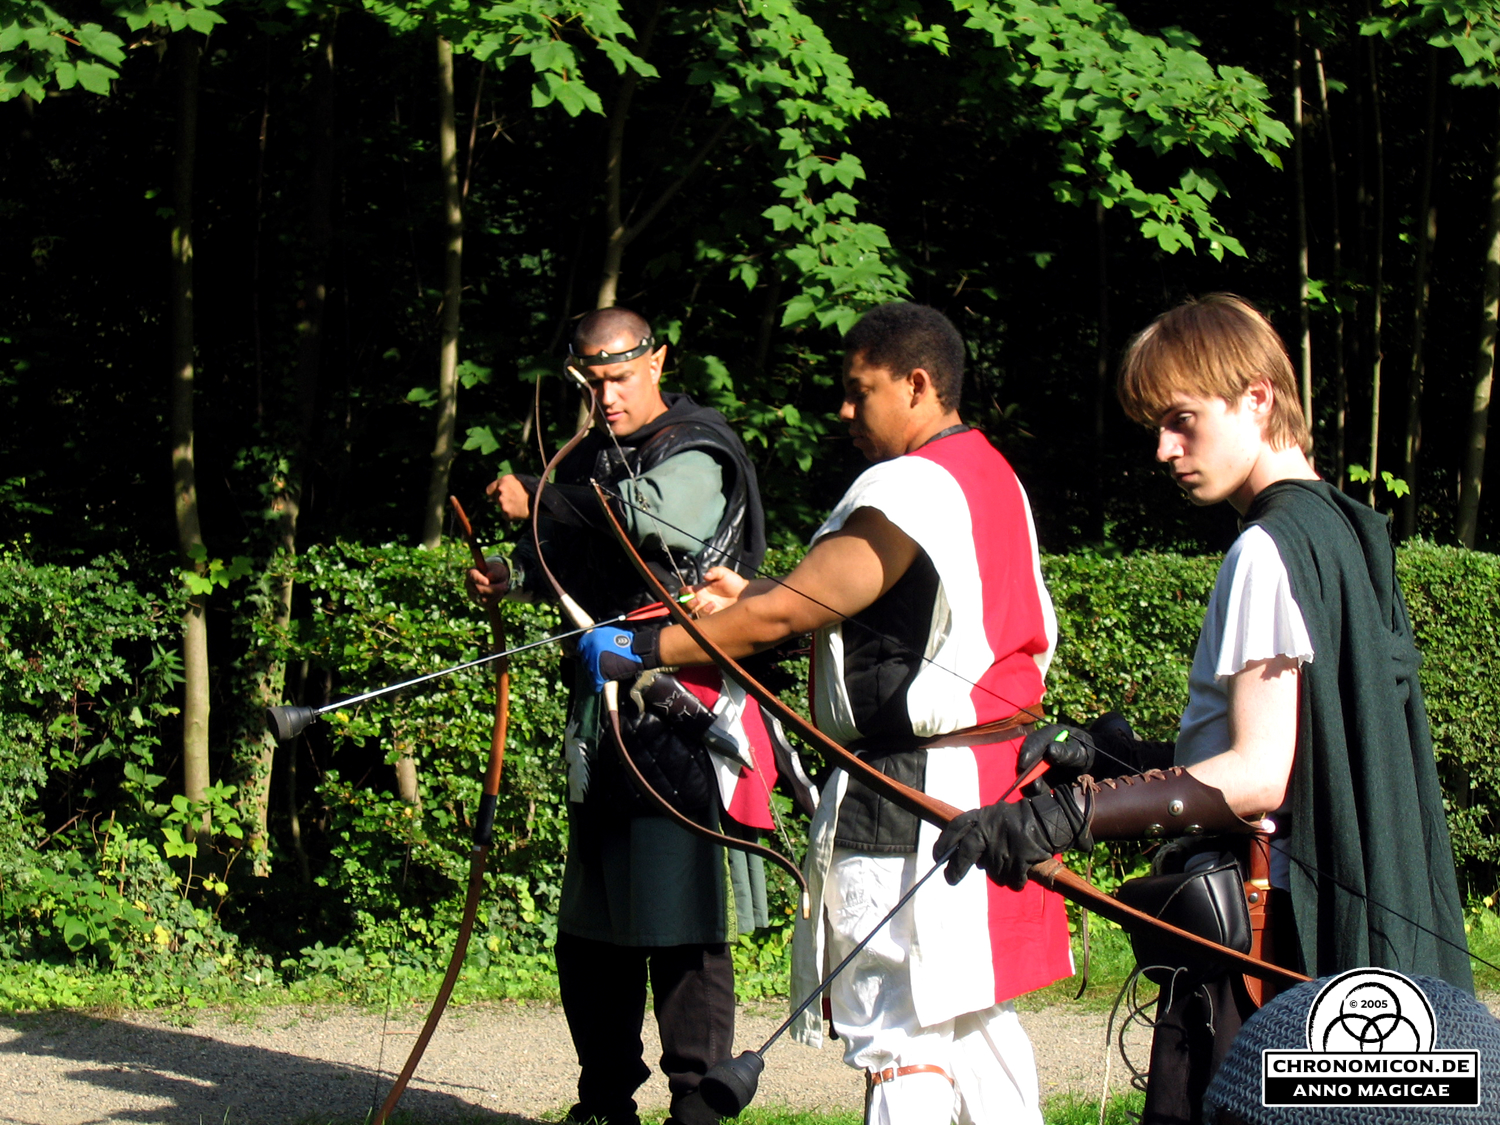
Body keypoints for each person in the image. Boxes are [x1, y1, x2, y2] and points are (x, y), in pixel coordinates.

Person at [934, 294, 1472, 1124]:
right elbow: (1305, 750)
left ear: (1257, 397)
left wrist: (1066, 817)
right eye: (1158, 427)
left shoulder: (1267, 548)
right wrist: (1118, 757)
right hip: (1332, 941)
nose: (1164, 449)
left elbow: (1259, 776)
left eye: (1181, 421)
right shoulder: (1343, 530)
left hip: (1270, 951)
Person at [579, 302, 1075, 1125]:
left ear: (917, 385)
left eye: (859, 389)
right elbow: (855, 595)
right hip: (993, 783)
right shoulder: (988, 470)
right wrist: (753, 591)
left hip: (912, 792)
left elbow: (789, 611)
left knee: (898, 1030)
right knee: (975, 1021)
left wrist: (645, 647)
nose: (844, 409)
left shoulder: (908, 483)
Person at [468, 306, 773, 1125]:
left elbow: (647, 515)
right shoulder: (590, 461)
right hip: (601, 723)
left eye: (620, 377)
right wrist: (511, 574)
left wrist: (541, 495)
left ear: (658, 360)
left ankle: (696, 1105)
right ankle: (605, 1101)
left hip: (682, 718)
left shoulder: (697, 447)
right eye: (592, 382)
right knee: (591, 932)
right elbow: (566, 553)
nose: (606, 397)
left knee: (682, 926)